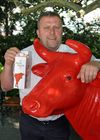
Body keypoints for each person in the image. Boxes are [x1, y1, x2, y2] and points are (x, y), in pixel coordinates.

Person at [0, 11, 100, 140]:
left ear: (62, 31)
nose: (52, 32)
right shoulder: (24, 54)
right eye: (46, 28)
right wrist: (8, 64)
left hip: (59, 122)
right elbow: (5, 87)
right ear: (38, 32)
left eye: (56, 27)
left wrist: (95, 64)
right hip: (29, 122)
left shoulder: (74, 54)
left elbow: (97, 62)